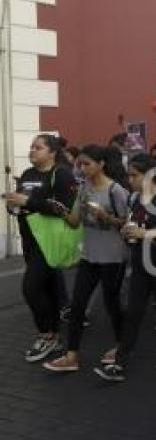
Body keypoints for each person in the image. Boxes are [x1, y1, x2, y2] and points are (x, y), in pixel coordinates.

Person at [94, 154, 156, 382]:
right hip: (141, 261)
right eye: (128, 175)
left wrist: (145, 233)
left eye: (133, 175)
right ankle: (120, 364)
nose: (129, 180)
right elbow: (132, 222)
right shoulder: (135, 198)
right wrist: (127, 229)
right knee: (133, 311)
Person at [43, 145, 130, 372]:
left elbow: (127, 224)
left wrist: (105, 217)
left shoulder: (116, 190)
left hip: (112, 258)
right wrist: (60, 210)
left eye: (87, 164)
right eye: (80, 164)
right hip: (89, 256)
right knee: (78, 305)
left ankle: (122, 346)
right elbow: (74, 222)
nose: (82, 168)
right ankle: (72, 356)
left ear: (101, 164)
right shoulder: (83, 189)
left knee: (112, 305)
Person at [4, 134, 76, 362]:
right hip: (29, 238)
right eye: (31, 147)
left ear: (52, 152)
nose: (32, 150)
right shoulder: (27, 173)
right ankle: (55, 334)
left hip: (49, 241)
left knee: (31, 288)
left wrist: (28, 203)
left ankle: (47, 335)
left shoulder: (61, 174)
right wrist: (13, 204)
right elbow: (23, 202)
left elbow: (64, 208)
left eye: (38, 147)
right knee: (46, 288)